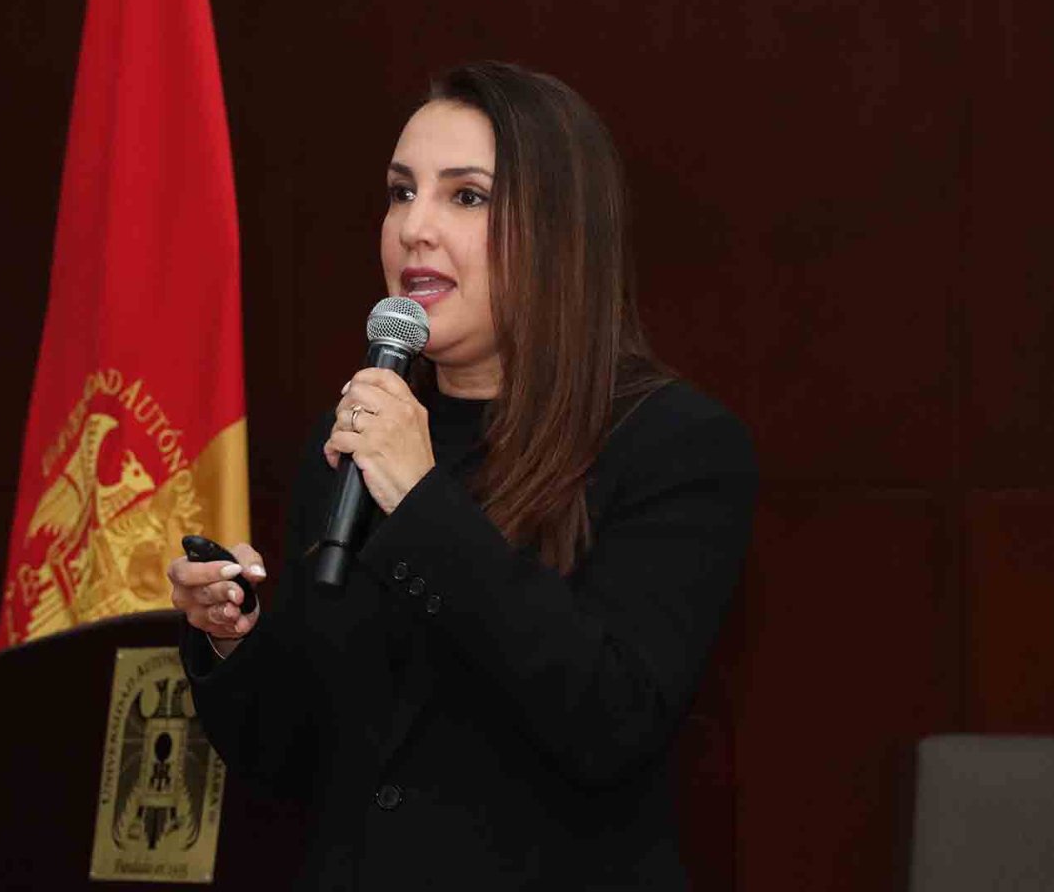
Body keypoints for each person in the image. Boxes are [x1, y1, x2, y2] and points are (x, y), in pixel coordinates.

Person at [168, 60, 758, 890]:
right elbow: (298, 764)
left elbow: (610, 722)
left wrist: (420, 501)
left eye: (467, 196)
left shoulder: (676, 445)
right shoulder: (355, 436)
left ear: (562, 232)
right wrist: (233, 637)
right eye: (401, 192)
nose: (414, 227)